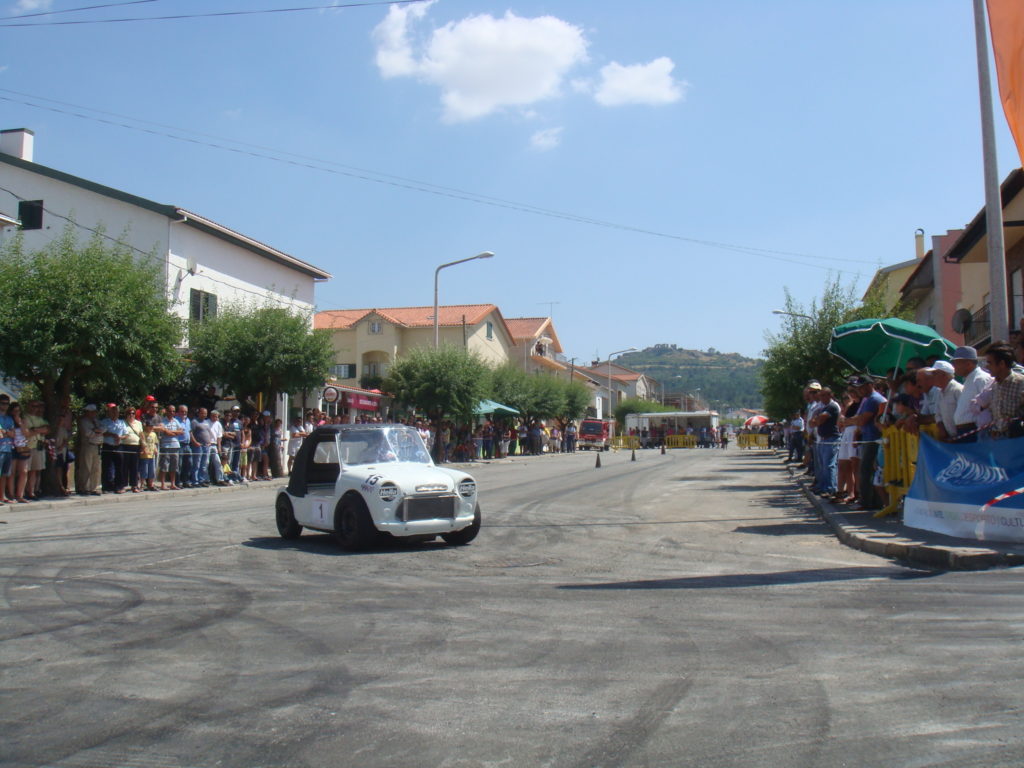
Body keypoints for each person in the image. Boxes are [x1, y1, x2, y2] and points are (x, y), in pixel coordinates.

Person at [853, 376, 886, 510]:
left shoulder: (874, 399)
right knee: (869, 470)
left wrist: (848, 421)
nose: (859, 390)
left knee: (867, 470)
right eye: (858, 388)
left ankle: (867, 502)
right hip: (867, 437)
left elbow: (862, 420)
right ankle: (871, 501)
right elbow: (859, 419)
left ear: (869, 385)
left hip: (874, 439)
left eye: (861, 387)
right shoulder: (867, 400)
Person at [952, 346, 993, 442]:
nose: (954, 366)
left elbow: (986, 405)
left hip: (974, 431)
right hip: (965, 431)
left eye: (957, 363)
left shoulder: (980, 379)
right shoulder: (968, 380)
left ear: (968, 364)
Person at [984, 341, 1024, 439]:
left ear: (1001, 364)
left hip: (1017, 442)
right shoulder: (994, 386)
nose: (986, 366)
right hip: (998, 442)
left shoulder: (1021, 384)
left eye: (990, 363)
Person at [811, 387, 840, 497]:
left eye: (824, 395)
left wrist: (817, 419)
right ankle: (823, 486)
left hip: (831, 438)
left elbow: (819, 420)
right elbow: (812, 422)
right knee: (823, 464)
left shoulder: (832, 406)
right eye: (821, 395)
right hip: (823, 438)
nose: (821, 397)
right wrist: (816, 420)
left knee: (829, 464)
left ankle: (830, 488)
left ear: (830, 395)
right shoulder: (824, 407)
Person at [23, 401, 50, 499]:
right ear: (28, 406)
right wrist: (39, 430)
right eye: (33, 405)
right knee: (25, 471)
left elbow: (47, 429)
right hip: (28, 446)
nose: (35, 408)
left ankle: (32, 491)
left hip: (38, 446)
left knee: (35, 470)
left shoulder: (40, 419)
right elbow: (28, 433)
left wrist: (35, 429)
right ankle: (23, 491)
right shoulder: (25, 417)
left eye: (37, 406)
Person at [75, 404, 104, 495]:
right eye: (92, 412)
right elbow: (88, 433)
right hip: (88, 445)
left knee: (96, 468)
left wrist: (97, 431)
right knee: (86, 467)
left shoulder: (96, 421)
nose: (94, 413)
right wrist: (97, 431)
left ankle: (93, 487)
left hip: (97, 445)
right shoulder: (83, 421)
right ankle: (84, 487)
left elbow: (104, 428)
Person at [157, 404, 184, 490]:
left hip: (175, 445)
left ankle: (173, 484)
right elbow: (165, 432)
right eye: (170, 411)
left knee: (174, 466)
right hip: (166, 445)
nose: (172, 413)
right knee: (164, 466)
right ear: (167, 411)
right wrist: (173, 432)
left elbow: (181, 431)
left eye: (173, 411)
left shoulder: (176, 421)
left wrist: (171, 432)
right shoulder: (162, 421)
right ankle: (162, 484)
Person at [121, 405, 144, 492]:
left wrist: (143, 446)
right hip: (125, 445)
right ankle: (123, 485)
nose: (131, 415)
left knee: (135, 467)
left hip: (136, 446)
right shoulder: (123, 422)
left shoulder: (139, 423)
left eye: (133, 413)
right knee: (124, 466)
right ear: (126, 414)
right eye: (129, 413)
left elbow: (141, 435)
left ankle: (134, 485)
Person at [0, 395, 14, 504]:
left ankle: (2, 496)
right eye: (2, 403)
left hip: (8, 448)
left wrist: (5, 432)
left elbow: (12, 434)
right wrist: (6, 432)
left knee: (4, 474)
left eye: (6, 404)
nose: (4, 406)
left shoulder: (10, 418)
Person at [138, 420, 159, 491]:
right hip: (144, 455)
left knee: (152, 470)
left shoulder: (154, 434)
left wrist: (155, 449)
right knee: (144, 471)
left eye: (152, 426)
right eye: (149, 426)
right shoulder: (143, 434)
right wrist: (143, 450)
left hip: (152, 455)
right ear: (146, 426)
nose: (150, 427)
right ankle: (141, 485)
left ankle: (151, 484)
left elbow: (155, 443)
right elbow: (141, 443)